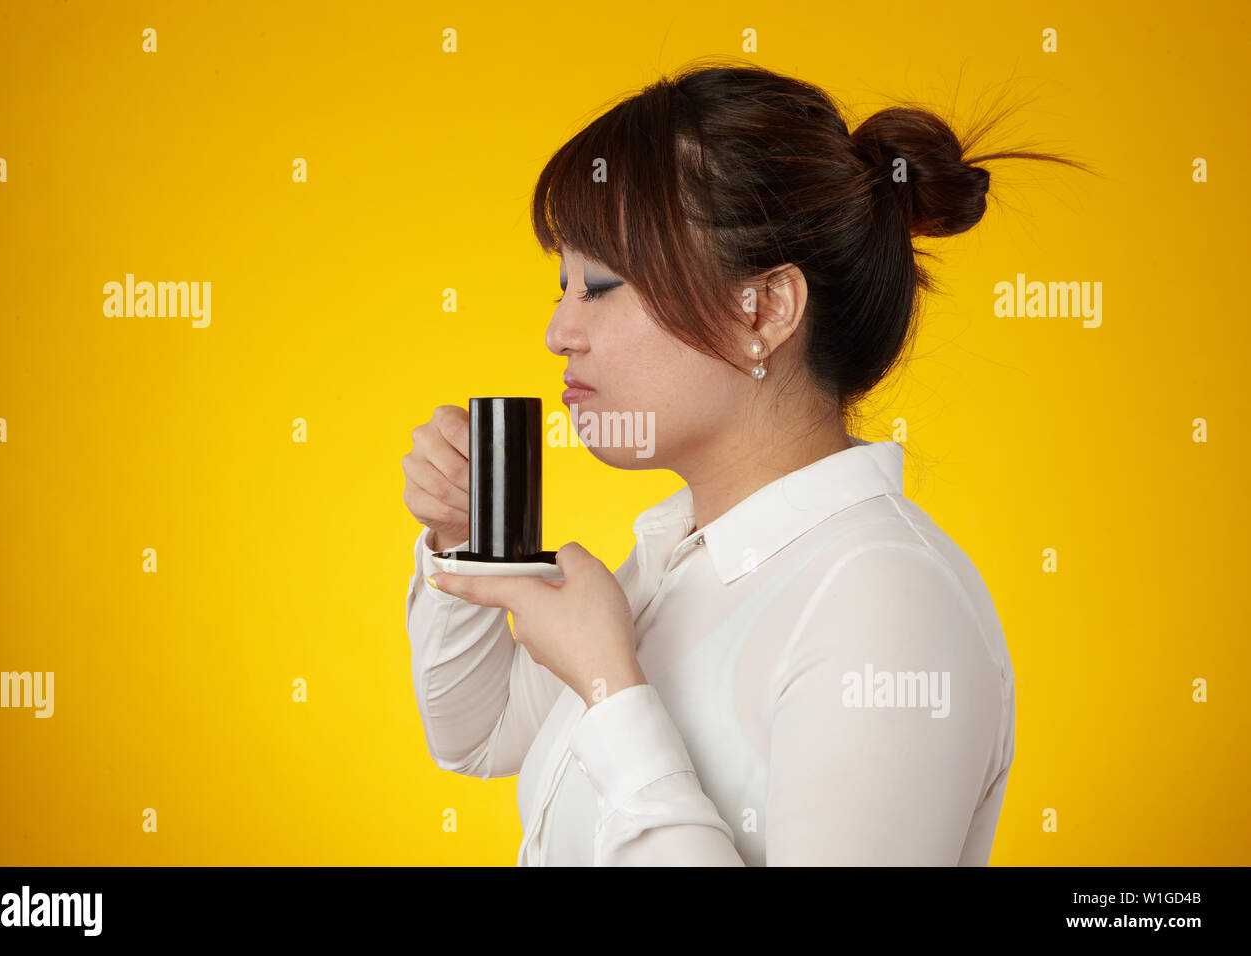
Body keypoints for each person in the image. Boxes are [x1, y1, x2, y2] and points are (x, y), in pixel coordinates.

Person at [401, 58, 1085, 865]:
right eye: (561, 285)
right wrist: (460, 538)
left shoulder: (885, 601)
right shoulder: (681, 560)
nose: (559, 331)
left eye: (600, 285)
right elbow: (477, 736)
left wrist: (609, 686)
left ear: (762, 309)